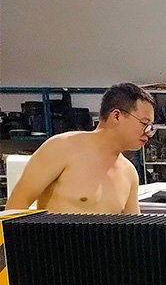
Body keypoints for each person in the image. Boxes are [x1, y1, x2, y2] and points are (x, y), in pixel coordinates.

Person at [6, 83, 156, 214]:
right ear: (116, 116)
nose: (148, 132)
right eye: (144, 123)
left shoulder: (129, 173)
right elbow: (15, 207)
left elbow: (133, 231)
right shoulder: (62, 148)